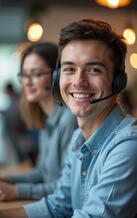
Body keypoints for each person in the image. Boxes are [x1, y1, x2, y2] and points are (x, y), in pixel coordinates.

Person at [0, 18, 137, 218]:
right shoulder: (78, 139)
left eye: (93, 69)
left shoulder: (128, 146)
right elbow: (59, 205)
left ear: (118, 81)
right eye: (69, 69)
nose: (78, 80)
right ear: (58, 77)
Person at [0, 42, 77, 201]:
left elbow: (65, 187)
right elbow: (42, 172)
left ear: (57, 75)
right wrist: (8, 181)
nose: (27, 82)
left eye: (35, 74)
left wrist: (16, 191)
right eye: (24, 75)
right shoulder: (47, 119)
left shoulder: (68, 120)